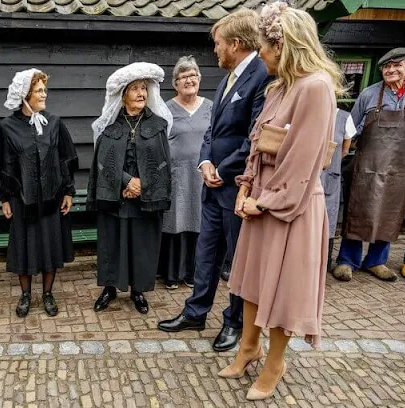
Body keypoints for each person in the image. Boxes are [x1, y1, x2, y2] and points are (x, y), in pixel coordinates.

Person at [218, 2, 343, 400]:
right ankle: (248, 349)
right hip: (261, 198)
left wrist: (266, 200)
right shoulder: (278, 87)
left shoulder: (316, 87)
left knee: (281, 290)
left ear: (283, 44)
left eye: (266, 48)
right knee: (253, 283)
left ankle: (275, 363)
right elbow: (257, 145)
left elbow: (304, 159)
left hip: (293, 206)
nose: (262, 56)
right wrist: (245, 187)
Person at [157, 9, 270, 353]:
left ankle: (234, 322)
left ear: (235, 43)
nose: (215, 50)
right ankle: (196, 312)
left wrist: (223, 171)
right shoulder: (226, 80)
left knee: (237, 259)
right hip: (213, 185)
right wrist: (206, 162)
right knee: (206, 255)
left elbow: (255, 136)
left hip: (238, 188)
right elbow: (212, 130)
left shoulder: (261, 76)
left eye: (218, 44)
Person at [0, 69, 78, 318]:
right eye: (39, 90)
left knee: (50, 246)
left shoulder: (54, 123)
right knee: (25, 248)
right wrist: (5, 197)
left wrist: (68, 192)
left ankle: (48, 293)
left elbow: (65, 160)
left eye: (44, 89)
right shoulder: (7, 128)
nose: (44, 94)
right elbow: (2, 165)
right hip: (22, 201)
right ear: (25, 95)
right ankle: (26, 294)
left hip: (51, 199)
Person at [87, 62, 173, 315]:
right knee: (112, 242)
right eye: (135, 88)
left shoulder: (157, 125)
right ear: (123, 94)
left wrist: (142, 185)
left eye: (144, 88)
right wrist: (126, 182)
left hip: (145, 199)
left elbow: (163, 163)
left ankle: (138, 289)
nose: (141, 93)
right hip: (116, 198)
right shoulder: (110, 126)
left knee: (141, 244)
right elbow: (102, 162)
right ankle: (110, 287)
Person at [333, 47, 405, 282]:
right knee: (358, 210)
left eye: (396, 65)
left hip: (400, 170)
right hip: (367, 166)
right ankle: (347, 260)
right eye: (386, 66)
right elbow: (351, 129)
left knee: (390, 213)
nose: (390, 70)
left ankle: (377, 261)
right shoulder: (369, 94)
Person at [158, 56, 213, 290]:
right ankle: (172, 274)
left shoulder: (211, 107)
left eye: (193, 76)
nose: (189, 80)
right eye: (183, 77)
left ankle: (192, 274)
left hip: (203, 176)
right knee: (175, 222)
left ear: (199, 79)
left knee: (199, 222)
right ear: (175, 83)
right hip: (176, 176)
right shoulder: (166, 109)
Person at [322, 109, 356, 272]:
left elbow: (344, 150)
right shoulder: (303, 109)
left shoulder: (344, 117)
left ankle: (323, 264)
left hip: (329, 177)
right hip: (304, 177)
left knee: (327, 220)